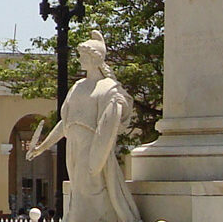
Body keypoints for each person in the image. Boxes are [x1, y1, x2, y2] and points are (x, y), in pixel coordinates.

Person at [24, 32, 139, 222]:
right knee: (79, 191)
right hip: (74, 148)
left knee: (94, 188)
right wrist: (42, 147)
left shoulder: (108, 87)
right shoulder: (77, 86)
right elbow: (66, 124)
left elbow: (109, 123)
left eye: (83, 56)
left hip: (93, 147)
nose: (79, 60)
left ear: (95, 58)